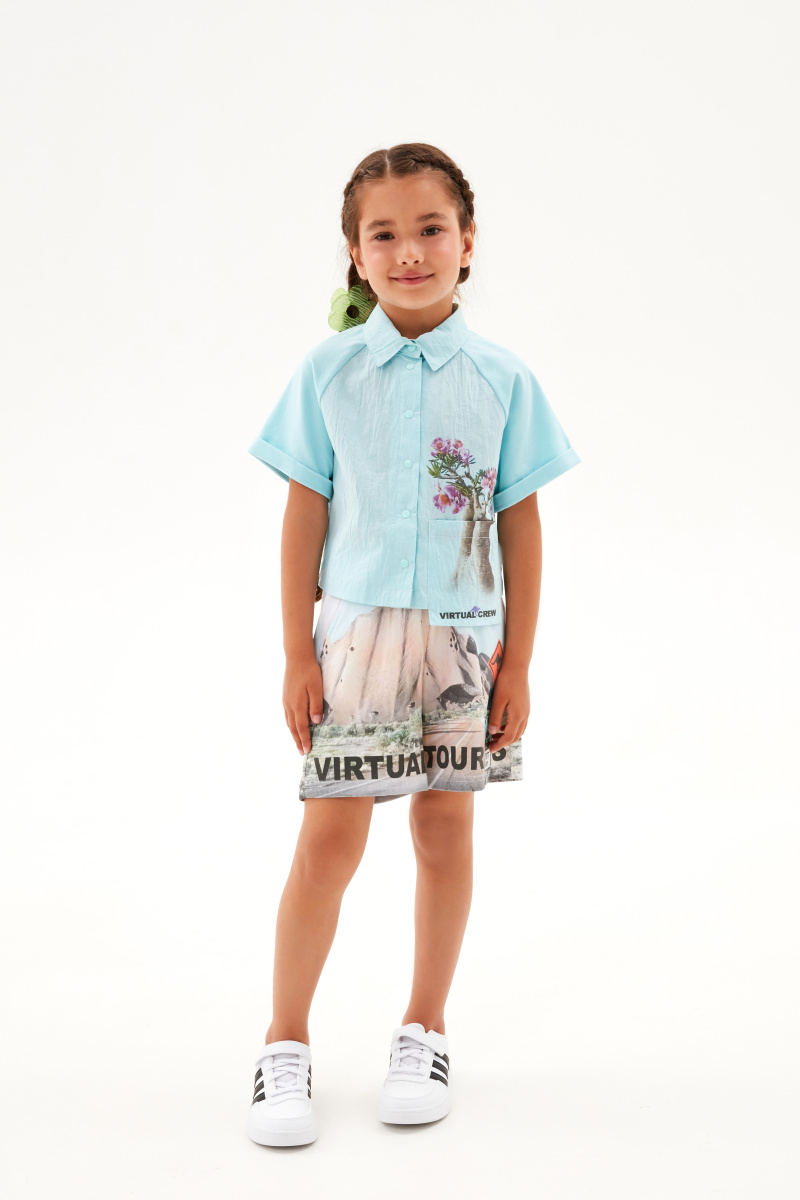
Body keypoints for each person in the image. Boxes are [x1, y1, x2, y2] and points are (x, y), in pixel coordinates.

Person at [244, 143, 581, 1147]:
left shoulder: (503, 380)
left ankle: (424, 1028)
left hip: (465, 641)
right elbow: (304, 513)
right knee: (329, 842)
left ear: (467, 241)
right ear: (355, 254)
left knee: (443, 830)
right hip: (354, 641)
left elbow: (519, 522)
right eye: (382, 235)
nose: (408, 252)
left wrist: (520, 661)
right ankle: (283, 1041)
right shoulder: (328, 374)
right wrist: (296, 652)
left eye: (430, 229)